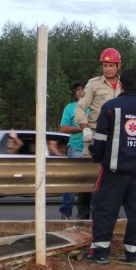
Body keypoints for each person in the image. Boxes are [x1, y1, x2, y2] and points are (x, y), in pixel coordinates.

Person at [86, 68, 136, 264]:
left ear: (122, 84)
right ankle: (133, 253)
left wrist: (97, 157)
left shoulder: (111, 107)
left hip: (114, 170)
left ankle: (101, 252)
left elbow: (101, 140)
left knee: (105, 208)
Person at [74, 48, 123, 220]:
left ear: (119, 66)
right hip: (94, 134)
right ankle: (83, 213)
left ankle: (107, 214)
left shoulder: (125, 86)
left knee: (112, 177)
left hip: (116, 137)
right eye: (105, 65)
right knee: (89, 175)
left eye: (111, 65)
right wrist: (84, 126)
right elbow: (80, 107)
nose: (108, 69)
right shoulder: (93, 84)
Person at [59, 81, 90, 220]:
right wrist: (81, 128)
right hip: (76, 148)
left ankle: (90, 213)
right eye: (78, 89)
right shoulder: (70, 108)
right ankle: (66, 213)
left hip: (93, 148)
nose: (80, 91)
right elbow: (64, 128)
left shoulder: (94, 107)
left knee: (93, 182)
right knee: (71, 182)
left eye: (83, 89)